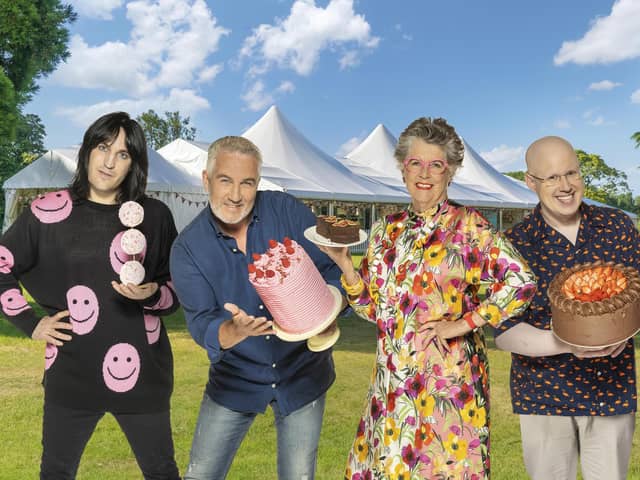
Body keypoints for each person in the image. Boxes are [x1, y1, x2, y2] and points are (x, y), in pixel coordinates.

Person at [320, 117, 536, 479]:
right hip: (392, 383)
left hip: (448, 385)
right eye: (415, 163)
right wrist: (347, 268)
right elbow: (375, 311)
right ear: (403, 169)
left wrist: (464, 324)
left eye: (436, 164)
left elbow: (521, 282)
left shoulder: (469, 226)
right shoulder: (385, 231)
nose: (425, 173)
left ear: (449, 172)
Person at [0, 112, 181, 479]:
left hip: (145, 374)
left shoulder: (155, 216)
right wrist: (31, 324)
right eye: (103, 147)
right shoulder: (46, 212)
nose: (110, 161)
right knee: (56, 472)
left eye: (124, 154)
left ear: (134, 164)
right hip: (71, 372)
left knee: (162, 471)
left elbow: (177, 291)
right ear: (86, 150)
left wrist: (152, 294)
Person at [169, 135, 343, 480]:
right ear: (206, 179)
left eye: (247, 183)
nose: (235, 195)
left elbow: (333, 271)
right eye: (225, 181)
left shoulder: (287, 211)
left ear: (257, 183)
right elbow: (201, 322)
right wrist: (232, 331)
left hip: (302, 372)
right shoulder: (187, 248)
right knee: (200, 475)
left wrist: (326, 311)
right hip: (236, 379)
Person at [494, 135, 636, 480]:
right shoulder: (514, 244)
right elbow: (503, 330)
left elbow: (637, 294)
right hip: (544, 396)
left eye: (571, 173)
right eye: (552, 177)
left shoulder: (616, 226)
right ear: (531, 182)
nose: (565, 186)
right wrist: (567, 343)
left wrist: (623, 328)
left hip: (611, 390)